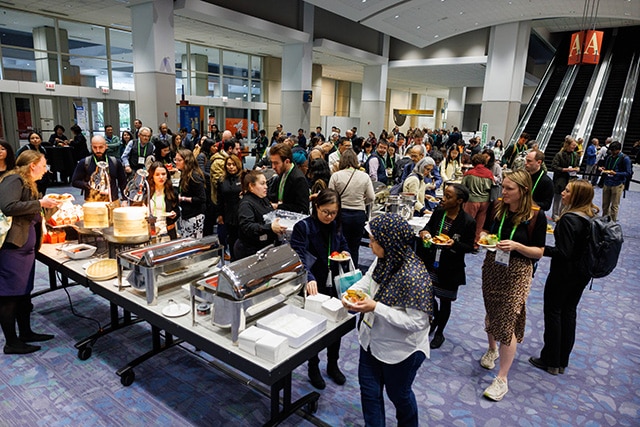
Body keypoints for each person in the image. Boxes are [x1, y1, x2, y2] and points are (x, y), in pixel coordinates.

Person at [344, 213, 432, 427]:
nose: (370, 245)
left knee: (399, 395)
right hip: (370, 340)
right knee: (370, 392)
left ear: (389, 242)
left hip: (400, 351)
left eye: (374, 240)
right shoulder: (384, 259)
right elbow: (368, 280)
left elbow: (417, 323)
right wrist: (350, 293)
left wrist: (376, 307)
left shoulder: (414, 276)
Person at [478, 169, 547, 401]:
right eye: (503, 187)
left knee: (508, 320)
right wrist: (484, 237)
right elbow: (486, 230)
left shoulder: (536, 215)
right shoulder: (498, 207)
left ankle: (502, 378)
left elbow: (539, 252)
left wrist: (517, 246)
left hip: (518, 271)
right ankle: (492, 349)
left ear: (523, 190)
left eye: (509, 188)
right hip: (493, 266)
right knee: (492, 310)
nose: (503, 192)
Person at [529, 180, 598, 376]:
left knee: (554, 312)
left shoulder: (569, 219)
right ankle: (561, 360)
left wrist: (540, 249)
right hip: (582, 273)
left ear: (577, 196)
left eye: (567, 191)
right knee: (568, 312)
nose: (563, 193)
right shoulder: (590, 216)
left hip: (564, 273)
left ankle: (550, 359)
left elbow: (564, 252)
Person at [0, 150, 59, 354]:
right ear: (32, 165)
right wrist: (40, 203)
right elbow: (8, 206)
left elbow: (31, 212)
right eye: (43, 165)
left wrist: (51, 205)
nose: (45, 169)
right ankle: (11, 342)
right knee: (9, 296)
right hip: (13, 249)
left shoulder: (28, 183)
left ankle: (25, 332)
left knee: (23, 294)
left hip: (25, 249)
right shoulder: (14, 179)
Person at [290, 189, 350, 389]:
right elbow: (297, 256)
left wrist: (345, 253)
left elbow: (343, 244)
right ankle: (313, 366)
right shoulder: (303, 227)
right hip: (313, 284)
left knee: (336, 324)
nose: (329, 216)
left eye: (334, 213)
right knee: (313, 326)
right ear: (316, 207)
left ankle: (333, 364)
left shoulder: (336, 224)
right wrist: (309, 277)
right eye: (325, 212)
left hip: (334, 281)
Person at [418, 183, 476, 349]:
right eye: (444, 195)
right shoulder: (439, 212)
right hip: (431, 262)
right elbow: (429, 227)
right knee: (428, 295)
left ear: (459, 201)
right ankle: (434, 319)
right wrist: (425, 232)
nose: (443, 199)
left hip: (450, 267)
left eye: (448, 197)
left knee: (445, 301)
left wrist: (454, 244)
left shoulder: (468, 221)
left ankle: (440, 332)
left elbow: (469, 246)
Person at [328, 149, 374, 268]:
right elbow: (371, 197)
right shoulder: (364, 176)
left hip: (341, 214)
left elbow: (330, 197)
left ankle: (338, 271)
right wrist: (362, 202)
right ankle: (353, 271)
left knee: (339, 245)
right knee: (354, 247)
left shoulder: (336, 176)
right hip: (359, 215)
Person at [234, 170, 286, 260]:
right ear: (251, 186)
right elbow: (247, 226)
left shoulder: (263, 198)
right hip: (250, 251)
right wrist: (270, 227)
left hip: (265, 246)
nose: (266, 187)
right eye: (262, 184)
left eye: (266, 183)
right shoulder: (246, 204)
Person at [71, 135, 127, 203]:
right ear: (91, 147)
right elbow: (75, 181)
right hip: (91, 202)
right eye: (95, 147)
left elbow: (123, 182)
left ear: (106, 146)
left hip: (112, 201)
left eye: (101, 147)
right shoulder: (85, 162)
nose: (98, 150)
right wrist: (89, 185)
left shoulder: (115, 162)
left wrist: (125, 200)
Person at [462, 154, 494, 249]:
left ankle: (466, 242)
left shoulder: (469, 174)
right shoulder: (489, 174)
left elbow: (463, 188)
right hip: (485, 201)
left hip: (472, 200)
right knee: (480, 224)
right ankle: (476, 243)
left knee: (468, 222)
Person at [268, 143, 310, 214]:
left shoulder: (299, 179)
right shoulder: (282, 172)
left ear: (287, 161)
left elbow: (303, 208)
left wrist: (278, 206)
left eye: (276, 163)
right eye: (272, 163)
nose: (273, 167)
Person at [174, 149, 206, 239]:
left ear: (187, 161)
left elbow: (202, 198)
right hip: (186, 214)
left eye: (179, 160)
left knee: (193, 242)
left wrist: (183, 198)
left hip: (195, 216)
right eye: (175, 159)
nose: (176, 162)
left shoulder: (194, 177)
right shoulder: (184, 174)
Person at [217, 155, 243, 260]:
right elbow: (219, 199)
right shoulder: (221, 180)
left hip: (242, 213)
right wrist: (219, 214)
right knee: (231, 240)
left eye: (233, 164)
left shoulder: (243, 177)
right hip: (228, 214)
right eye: (228, 164)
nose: (231, 167)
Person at [599, 141, 632, 221]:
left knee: (614, 206)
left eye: (614, 151)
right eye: (611, 151)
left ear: (619, 150)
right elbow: (607, 168)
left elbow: (628, 173)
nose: (612, 152)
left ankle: (612, 223)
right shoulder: (609, 157)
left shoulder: (625, 159)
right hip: (607, 182)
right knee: (605, 205)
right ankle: (603, 221)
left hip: (617, 184)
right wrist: (603, 169)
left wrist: (616, 173)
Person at [146, 161, 179, 240]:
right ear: (152, 176)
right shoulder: (146, 191)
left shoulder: (172, 192)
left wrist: (175, 214)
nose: (161, 177)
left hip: (167, 231)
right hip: (149, 230)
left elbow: (177, 210)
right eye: (157, 174)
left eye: (163, 174)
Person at [551, 136, 580, 221]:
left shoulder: (575, 155)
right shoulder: (559, 155)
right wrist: (566, 169)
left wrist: (577, 169)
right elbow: (554, 167)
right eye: (573, 145)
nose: (575, 147)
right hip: (560, 179)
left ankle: (562, 214)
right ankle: (555, 215)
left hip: (571, 179)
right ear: (567, 145)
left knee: (567, 198)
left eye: (575, 145)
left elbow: (577, 165)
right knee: (557, 198)